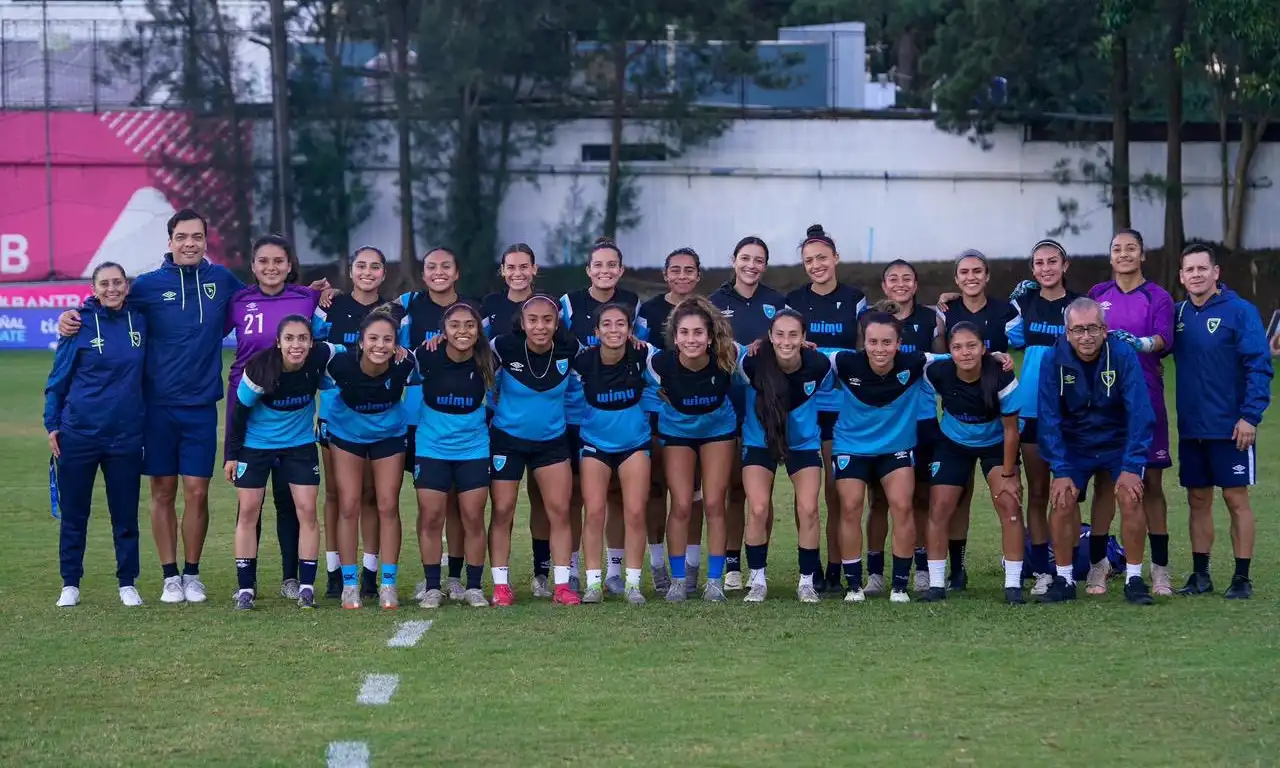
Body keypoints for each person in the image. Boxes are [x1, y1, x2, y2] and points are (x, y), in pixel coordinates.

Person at [56, 209, 250, 604]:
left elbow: (261, 297)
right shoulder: (146, 285)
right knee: (162, 491)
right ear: (170, 241)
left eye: (196, 236)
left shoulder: (223, 280)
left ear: (206, 240)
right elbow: (106, 299)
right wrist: (70, 316)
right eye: (182, 237)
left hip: (200, 407)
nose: (189, 243)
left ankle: (192, 574)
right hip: (156, 409)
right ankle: (169, 577)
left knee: (197, 492)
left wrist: (311, 293)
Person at [828, 309, 959, 603]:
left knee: (902, 506)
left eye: (887, 342)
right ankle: (854, 586)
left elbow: (960, 357)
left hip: (895, 448)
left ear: (899, 343)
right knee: (850, 506)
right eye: (873, 342)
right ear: (864, 342)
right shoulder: (842, 362)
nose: (880, 349)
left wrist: (994, 357)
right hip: (851, 447)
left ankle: (899, 586)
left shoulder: (916, 363)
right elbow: (805, 355)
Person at [1037, 298, 1156, 605]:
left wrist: (1132, 465)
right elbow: (1048, 417)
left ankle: (1134, 579)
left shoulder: (1122, 354)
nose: (1086, 336)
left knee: (1131, 496)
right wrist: (1060, 470)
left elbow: (1140, 411)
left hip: (1117, 441)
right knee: (1062, 499)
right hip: (1075, 443)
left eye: (1092, 328)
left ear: (1105, 330)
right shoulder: (1052, 358)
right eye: (1078, 330)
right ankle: (1064, 579)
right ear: (1067, 333)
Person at [44, 263, 147, 608]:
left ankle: (127, 583)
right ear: (94, 289)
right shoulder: (78, 323)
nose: (112, 289)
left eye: (118, 282)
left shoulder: (141, 320)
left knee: (125, 515)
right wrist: (52, 424)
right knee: (75, 514)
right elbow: (58, 378)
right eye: (104, 283)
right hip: (79, 435)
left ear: (127, 286)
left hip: (125, 436)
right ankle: (70, 583)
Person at [1173, 244, 1272, 600]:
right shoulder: (1178, 314)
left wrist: (1249, 416)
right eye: (1190, 270)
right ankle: (1200, 575)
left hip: (1231, 427)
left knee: (1235, 498)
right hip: (1192, 428)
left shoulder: (1240, 311)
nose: (1196, 275)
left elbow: (1259, 365)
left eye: (1202, 268)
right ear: (1181, 276)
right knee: (1198, 499)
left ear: (1216, 272)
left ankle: (1242, 578)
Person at [225, 234, 319, 601]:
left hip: (293, 421)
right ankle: (246, 585)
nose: (271, 267)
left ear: (290, 264)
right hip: (250, 412)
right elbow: (201, 333)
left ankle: (292, 578)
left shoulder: (307, 298)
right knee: (250, 505)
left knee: (292, 504)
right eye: (263, 261)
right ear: (252, 266)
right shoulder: (238, 301)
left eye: (278, 260)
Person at [1086, 229, 1176, 595]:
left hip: (1146, 400)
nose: (1124, 254)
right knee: (1106, 483)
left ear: (1142, 255)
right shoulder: (1097, 294)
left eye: (1131, 248)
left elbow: (1164, 339)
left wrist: (1141, 344)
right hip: (1106, 404)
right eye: (1117, 249)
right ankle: (1098, 564)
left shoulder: (1158, 296)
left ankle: (1160, 568)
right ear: (1110, 256)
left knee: (1151, 483)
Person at [224, 316, 334, 610]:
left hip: (299, 445)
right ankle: (245, 588)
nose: (296, 345)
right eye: (290, 339)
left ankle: (306, 588)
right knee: (248, 511)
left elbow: (356, 351)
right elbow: (238, 413)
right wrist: (232, 455)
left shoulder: (322, 355)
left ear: (311, 342)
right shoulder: (260, 368)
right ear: (278, 342)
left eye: (303, 338)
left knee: (307, 510)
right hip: (256, 446)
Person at [785, 224, 866, 596]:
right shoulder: (793, 301)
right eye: (809, 260)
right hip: (804, 406)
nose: (816, 265)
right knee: (805, 493)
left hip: (841, 406)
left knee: (835, 491)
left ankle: (836, 566)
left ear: (836, 258)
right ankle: (811, 565)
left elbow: (865, 348)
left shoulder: (855, 298)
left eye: (822, 258)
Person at [936, 249, 1025, 592]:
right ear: (956, 278)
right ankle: (956, 571)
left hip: (995, 417)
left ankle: (1015, 574)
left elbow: (1029, 341)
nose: (971, 277)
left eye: (977, 271)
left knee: (1009, 499)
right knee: (956, 499)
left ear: (987, 276)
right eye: (964, 272)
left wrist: (1002, 357)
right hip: (957, 425)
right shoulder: (947, 311)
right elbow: (935, 353)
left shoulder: (1005, 311)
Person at [312, 245, 397, 598]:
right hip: (335, 414)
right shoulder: (330, 306)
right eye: (361, 266)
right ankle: (335, 573)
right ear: (350, 271)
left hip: (377, 418)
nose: (367, 272)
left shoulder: (395, 312)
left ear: (384, 273)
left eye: (375, 267)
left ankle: (370, 573)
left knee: (372, 495)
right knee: (337, 495)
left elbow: (401, 359)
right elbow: (312, 350)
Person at [922, 322, 1027, 604]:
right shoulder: (939, 371)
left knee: (1010, 506)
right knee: (939, 508)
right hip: (952, 443)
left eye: (972, 346)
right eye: (957, 347)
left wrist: (1008, 474)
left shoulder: (1001, 375)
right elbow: (914, 359)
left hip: (996, 444)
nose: (965, 352)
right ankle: (937, 584)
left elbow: (1011, 431)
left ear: (983, 348)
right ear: (950, 351)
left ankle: (1013, 585)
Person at [487, 294, 582, 605]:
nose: (540, 326)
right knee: (503, 510)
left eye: (547, 320)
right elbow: (471, 362)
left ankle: (562, 586)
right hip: (507, 441)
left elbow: (605, 359)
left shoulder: (570, 348)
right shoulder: (503, 346)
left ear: (557, 323)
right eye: (533, 320)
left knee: (559, 511)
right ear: (523, 323)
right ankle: (501, 585)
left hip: (552, 442)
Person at [560, 237, 642, 595]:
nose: (605, 271)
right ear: (588, 269)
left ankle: (617, 573)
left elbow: (645, 352)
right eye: (598, 264)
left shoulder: (633, 303)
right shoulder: (568, 303)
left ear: (620, 270)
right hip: (579, 418)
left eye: (612, 265)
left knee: (623, 501)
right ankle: (575, 569)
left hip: (622, 420)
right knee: (578, 499)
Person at [647, 295, 741, 602]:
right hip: (677, 430)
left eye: (698, 332)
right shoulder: (658, 363)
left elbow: (764, 353)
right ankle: (678, 581)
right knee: (682, 505)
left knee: (714, 504)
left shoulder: (729, 356)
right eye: (684, 333)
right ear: (675, 337)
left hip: (717, 428)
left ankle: (714, 581)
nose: (692, 339)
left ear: (710, 336)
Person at [710, 236, 788, 590]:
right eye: (745, 258)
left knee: (760, 492)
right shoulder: (716, 302)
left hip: (763, 408)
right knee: (733, 490)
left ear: (765, 266)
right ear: (734, 260)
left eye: (758, 260)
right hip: (726, 404)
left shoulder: (777, 302)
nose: (751, 265)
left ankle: (759, 563)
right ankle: (732, 565)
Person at [739, 309, 833, 603]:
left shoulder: (819, 363)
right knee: (757, 508)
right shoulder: (751, 362)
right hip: (759, 441)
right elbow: (719, 349)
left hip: (803, 444)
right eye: (779, 334)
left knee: (809, 509)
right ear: (769, 336)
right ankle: (757, 580)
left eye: (793, 334)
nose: (786, 341)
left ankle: (806, 582)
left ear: (804, 337)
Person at [324, 307, 413, 610]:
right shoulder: (340, 364)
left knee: (387, 504)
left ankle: (388, 583)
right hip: (347, 433)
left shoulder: (405, 363)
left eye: (387, 339)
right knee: (349, 504)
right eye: (373, 338)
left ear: (396, 344)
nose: (380, 345)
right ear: (361, 342)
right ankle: (349, 585)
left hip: (389, 434)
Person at [866, 264, 945, 594]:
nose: (900, 284)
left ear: (916, 284)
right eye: (893, 279)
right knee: (879, 501)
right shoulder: (871, 319)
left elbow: (946, 361)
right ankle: (874, 573)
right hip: (883, 422)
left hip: (922, 420)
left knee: (921, 498)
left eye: (906, 278)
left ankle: (922, 568)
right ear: (884, 285)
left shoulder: (932, 319)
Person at [481, 244, 555, 599]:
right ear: (502, 270)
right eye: (511, 267)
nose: (518, 273)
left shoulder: (549, 306)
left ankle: (542, 573)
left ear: (534, 269)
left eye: (524, 266)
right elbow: (478, 353)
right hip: (503, 423)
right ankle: (501, 580)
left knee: (542, 500)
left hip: (546, 425)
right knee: (503, 505)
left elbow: (564, 351)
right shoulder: (490, 306)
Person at [1007, 240, 1080, 596]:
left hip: (1070, 410)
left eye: (1053, 261)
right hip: (1032, 409)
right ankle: (1041, 570)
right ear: (1032, 269)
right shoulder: (1025, 303)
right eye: (1039, 263)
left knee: (1069, 493)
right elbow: (1004, 335)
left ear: (1065, 265)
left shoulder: (1079, 306)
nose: (1046, 268)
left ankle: (1072, 566)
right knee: (1037, 492)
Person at [398, 247, 470, 600]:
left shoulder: (470, 311)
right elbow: (369, 313)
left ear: (457, 273)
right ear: (423, 273)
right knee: (429, 503)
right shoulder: (407, 304)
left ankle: (454, 577)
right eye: (431, 266)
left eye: (446, 266)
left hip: (460, 421)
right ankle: (430, 577)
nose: (438, 272)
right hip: (417, 418)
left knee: (457, 502)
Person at [412, 302, 494, 609]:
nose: (463, 331)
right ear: (443, 331)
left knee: (473, 516)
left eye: (470, 325)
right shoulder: (426, 355)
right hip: (432, 447)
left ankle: (473, 586)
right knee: (432, 517)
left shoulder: (488, 359)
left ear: (478, 330)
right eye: (455, 325)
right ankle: (433, 587)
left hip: (473, 448)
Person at [573, 304, 653, 604]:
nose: (614, 330)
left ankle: (632, 584)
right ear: (596, 331)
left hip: (634, 443)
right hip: (595, 443)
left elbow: (676, 365)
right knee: (594, 511)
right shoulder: (583, 361)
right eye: (606, 324)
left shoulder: (644, 355)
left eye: (620, 324)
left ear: (630, 329)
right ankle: (593, 584)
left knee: (635, 511)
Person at [636, 247, 705, 592]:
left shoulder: (705, 310)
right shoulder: (648, 311)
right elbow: (639, 358)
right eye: (675, 270)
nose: (682, 276)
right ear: (665, 275)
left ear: (698, 275)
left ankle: (691, 566)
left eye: (689, 270)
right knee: (655, 489)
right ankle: (658, 564)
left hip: (694, 413)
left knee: (692, 493)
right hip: (654, 411)